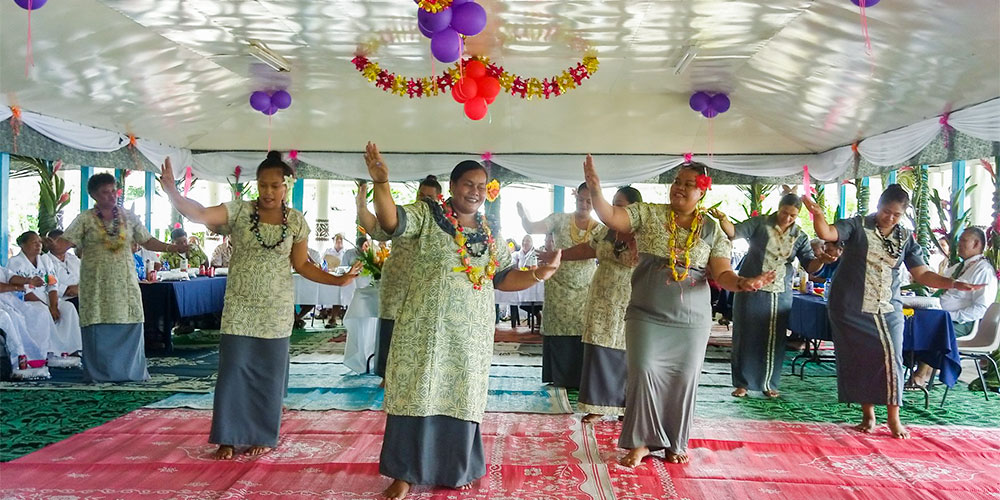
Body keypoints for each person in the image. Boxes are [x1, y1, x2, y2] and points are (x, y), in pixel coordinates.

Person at [364, 143, 562, 499]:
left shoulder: (490, 233)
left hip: (469, 334)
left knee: (460, 395)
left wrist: (540, 273)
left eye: (481, 186)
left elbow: (502, 277)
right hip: (423, 328)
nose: (475, 191)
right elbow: (392, 221)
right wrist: (381, 183)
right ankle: (404, 475)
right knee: (416, 392)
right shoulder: (427, 216)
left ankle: (455, 468)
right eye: (468, 184)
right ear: (453, 186)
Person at [159, 151, 362, 460]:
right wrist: (173, 191)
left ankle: (261, 434)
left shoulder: (295, 221)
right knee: (233, 370)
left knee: (268, 373)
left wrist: (338, 281)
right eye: (263, 185)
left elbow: (302, 265)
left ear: (287, 186)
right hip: (240, 305)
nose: (268, 192)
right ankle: (228, 436)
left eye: (275, 186)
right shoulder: (239, 211)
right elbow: (199, 213)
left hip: (276, 308)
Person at [582, 156, 774, 466]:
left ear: (702, 193)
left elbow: (722, 273)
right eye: (677, 182)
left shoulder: (712, 229)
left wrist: (744, 282)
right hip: (646, 312)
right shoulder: (649, 213)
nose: (680, 189)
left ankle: (674, 440)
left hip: (691, 320)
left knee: (684, 378)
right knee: (643, 370)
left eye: (688, 185)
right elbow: (611, 217)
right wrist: (595, 189)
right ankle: (641, 443)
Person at [805, 184, 986, 439]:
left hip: (888, 306)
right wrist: (817, 214)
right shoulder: (857, 226)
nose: (890, 218)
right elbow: (827, 232)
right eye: (886, 211)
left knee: (892, 357)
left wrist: (953, 284)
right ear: (878, 206)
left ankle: (894, 418)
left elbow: (921, 274)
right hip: (851, 307)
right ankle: (867, 414)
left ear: (903, 214)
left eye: (896, 214)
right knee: (860, 359)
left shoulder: (906, 238)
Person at [52, 173, 184, 382]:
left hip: (124, 281)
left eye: (114, 190)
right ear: (94, 195)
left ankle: (131, 373)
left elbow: (147, 240)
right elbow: (64, 243)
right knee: (97, 320)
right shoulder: (85, 219)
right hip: (96, 283)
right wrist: (48, 243)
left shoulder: (128, 217)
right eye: (105, 192)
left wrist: (172, 248)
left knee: (128, 317)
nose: (112, 196)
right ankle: (99, 374)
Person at [713, 193, 832, 398]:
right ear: (778, 208)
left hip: (780, 292)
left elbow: (809, 265)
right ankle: (743, 383)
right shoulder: (760, 224)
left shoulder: (800, 236)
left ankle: (769, 383)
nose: (787, 218)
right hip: (750, 288)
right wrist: (723, 219)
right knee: (746, 335)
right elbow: (734, 232)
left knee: (774, 339)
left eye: (793, 215)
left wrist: (821, 260)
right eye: (784, 212)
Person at [555, 186, 642, 423]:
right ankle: (598, 404)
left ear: (634, 209)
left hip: (627, 296)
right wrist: (559, 255)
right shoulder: (605, 230)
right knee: (597, 347)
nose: (614, 208)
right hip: (600, 295)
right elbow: (586, 249)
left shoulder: (642, 233)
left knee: (624, 350)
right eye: (613, 203)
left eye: (620, 204)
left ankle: (625, 406)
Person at [357, 174, 443, 381]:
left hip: (426, 286)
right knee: (390, 328)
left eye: (429, 197)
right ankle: (387, 376)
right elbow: (377, 231)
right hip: (396, 282)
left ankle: (421, 376)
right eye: (421, 195)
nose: (424, 200)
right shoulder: (402, 215)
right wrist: (361, 207)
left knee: (423, 331)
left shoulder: (446, 221)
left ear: (439, 198)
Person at [517, 183, 600, 388]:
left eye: (589, 201)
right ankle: (558, 377)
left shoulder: (600, 228)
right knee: (558, 329)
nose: (584, 204)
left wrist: (558, 255)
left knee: (582, 330)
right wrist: (524, 216)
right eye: (581, 199)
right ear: (575, 198)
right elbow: (532, 228)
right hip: (558, 285)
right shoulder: (559, 219)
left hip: (586, 287)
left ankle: (581, 378)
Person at [908, 226, 998, 387]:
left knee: (935, 328)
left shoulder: (983, 270)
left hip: (963, 324)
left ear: (977, 244)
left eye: (964, 241)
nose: (959, 244)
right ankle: (906, 368)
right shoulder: (957, 268)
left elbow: (980, 309)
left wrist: (948, 317)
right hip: (941, 316)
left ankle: (921, 375)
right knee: (911, 323)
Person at [8, 231, 83, 363]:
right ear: (23, 245)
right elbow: (21, 291)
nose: (38, 246)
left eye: (39, 243)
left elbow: (53, 284)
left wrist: (53, 305)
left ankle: (73, 348)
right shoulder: (15, 263)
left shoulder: (45, 261)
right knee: (42, 311)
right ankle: (51, 351)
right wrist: (46, 307)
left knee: (68, 307)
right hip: (28, 301)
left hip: (48, 298)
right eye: (34, 243)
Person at [0, 266, 55, 379]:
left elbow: (10, 276)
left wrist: (29, 281)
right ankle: (18, 361)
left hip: (9, 300)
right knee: (11, 318)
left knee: (39, 311)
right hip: (4, 304)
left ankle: (37, 358)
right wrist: (17, 287)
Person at [44, 229, 81, 302]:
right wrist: (67, 290)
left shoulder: (73, 258)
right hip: (64, 301)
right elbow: (49, 283)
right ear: (52, 243)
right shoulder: (45, 261)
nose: (67, 243)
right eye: (64, 241)